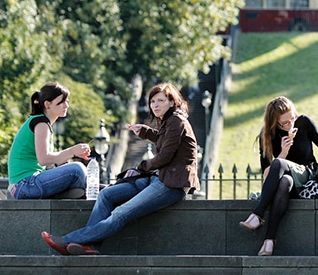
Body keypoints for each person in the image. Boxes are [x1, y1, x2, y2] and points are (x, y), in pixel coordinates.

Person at [41, 83, 199, 255]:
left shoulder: (176, 121)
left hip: (171, 185)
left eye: (160, 100)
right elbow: (166, 140)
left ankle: (67, 240)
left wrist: (139, 168)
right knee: (106, 194)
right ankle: (91, 247)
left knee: (120, 213)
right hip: (160, 178)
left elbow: (165, 156)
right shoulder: (170, 121)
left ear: (172, 102)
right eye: (152, 101)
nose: (155, 105)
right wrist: (146, 132)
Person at [239, 96, 318, 255]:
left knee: (278, 164)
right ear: (275, 122)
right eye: (285, 123)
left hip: (307, 178)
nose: (291, 124)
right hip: (290, 186)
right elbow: (267, 175)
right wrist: (283, 152)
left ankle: (258, 214)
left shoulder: (304, 122)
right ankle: (269, 241)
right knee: (284, 181)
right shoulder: (267, 135)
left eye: (292, 118)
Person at [7, 82, 91, 199]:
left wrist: (66, 159)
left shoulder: (42, 123)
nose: (66, 106)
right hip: (25, 184)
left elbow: (53, 161)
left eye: (67, 101)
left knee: (84, 177)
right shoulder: (41, 123)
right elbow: (44, 159)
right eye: (61, 102)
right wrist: (72, 151)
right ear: (47, 105)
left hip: (25, 184)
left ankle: (73, 194)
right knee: (77, 170)